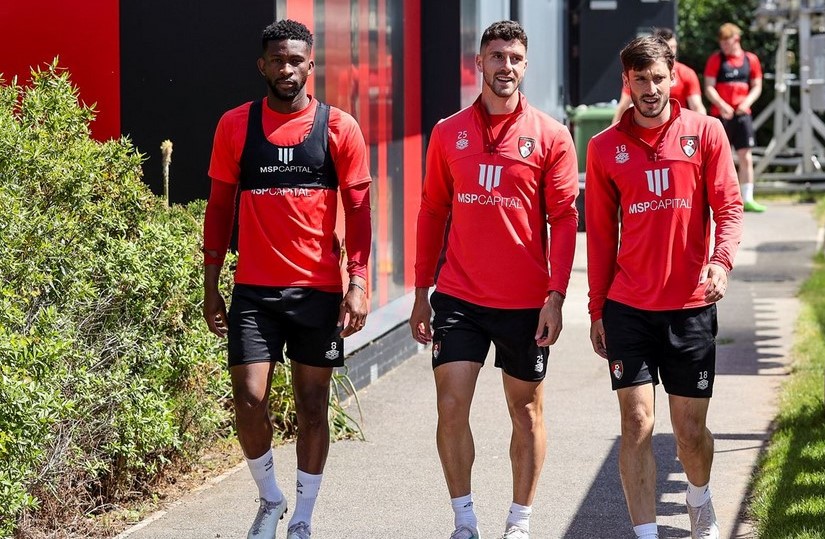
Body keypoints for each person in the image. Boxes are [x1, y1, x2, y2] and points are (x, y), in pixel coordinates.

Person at [202, 19, 372, 539]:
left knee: (313, 406)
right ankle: (270, 499)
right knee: (249, 400)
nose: (286, 68)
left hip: (317, 292)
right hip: (254, 290)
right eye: (277, 59)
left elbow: (360, 212)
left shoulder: (338, 128)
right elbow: (218, 210)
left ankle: (301, 517)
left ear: (310, 65)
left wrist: (358, 283)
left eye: (295, 60)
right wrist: (210, 284)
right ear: (263, 65)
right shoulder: (235, 125)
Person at [409, 20, 579, 539]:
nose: (506, 67)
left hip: (526, 302)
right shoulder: (447, 132)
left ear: (525, 66)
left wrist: (556, 296)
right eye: (497, 57)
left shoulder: (551, 135)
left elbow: (565, 220)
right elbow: (432, 210)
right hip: (459, 296)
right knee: (451, 404)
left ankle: (519, 521)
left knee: (525, 411)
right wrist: (420, 294)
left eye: (515, 59)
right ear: (478, 63)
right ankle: (464, 521)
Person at [585, 35, 743, 539]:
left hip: (690, 307)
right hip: (628, 307)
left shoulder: (706, 131)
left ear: (673, 76)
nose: (650, 89)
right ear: (626, 82)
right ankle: (646, 532)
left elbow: (729, 208)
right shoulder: (603, 148)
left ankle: (699, 500)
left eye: (658, 78)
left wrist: (720, 262)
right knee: (636, 423)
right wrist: (597, 309)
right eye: (640, 80)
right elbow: (601, 237)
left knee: (690, 434)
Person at [703, 22, 766, 213]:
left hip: (742, 115)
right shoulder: (716, 60)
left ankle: (747, 198)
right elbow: (709, 86)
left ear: (736, 39)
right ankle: (718, 198)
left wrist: (746, 103)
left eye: (727, 43)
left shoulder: (750, 59)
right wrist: (722, 105)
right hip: (721, 115)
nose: (724, 47)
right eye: (722, 43)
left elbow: (757, 85)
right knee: (718, 158)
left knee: (745, 156)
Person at [612, 27, 706, 124]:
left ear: (672, 77)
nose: (671, 51)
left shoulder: (687, 73)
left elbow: (697, 106)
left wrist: (703, 127)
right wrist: (613, 132)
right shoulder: (637, 74)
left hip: (680, 127)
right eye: (668, 47)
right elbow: (624, 105)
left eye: (674, 47)